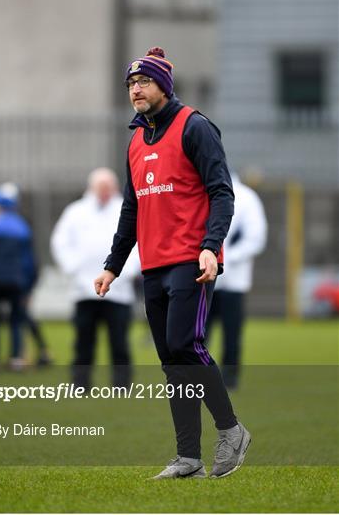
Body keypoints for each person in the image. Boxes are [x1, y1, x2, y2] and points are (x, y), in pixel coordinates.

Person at [94, 47, 251, 479]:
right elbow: (132, 211)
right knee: (171, 360)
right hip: (154, 266)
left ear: (164, 84)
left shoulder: (194, 127)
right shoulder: (134, 142)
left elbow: (222, 192)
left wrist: (210, 245)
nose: (135, 89)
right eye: (130, 84)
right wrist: (113, 265)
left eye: (143, 81)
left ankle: (231, 430)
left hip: (192, 260)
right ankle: (188, 458)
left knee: (186, 345)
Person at [51, 168, 140, 389]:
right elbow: (60, 242)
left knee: (119, 341)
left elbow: (140, 243)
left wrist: (126, 272)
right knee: (83, 341)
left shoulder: (126, 209)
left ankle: (122, 385)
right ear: (92, 188)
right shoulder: (76, 211)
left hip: (119, 290)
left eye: (108, 187)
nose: (104, 192)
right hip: (83, 288)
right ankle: (80, 384)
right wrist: (73, 268)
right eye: (100, 187)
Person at [206, 174, 268, 389]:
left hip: (233, 281)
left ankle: (230, 379)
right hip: (204, 278)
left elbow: (255, 238)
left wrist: (227, 257)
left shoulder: (246, 198)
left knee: (231, 334)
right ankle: (199, 378)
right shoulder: (202, 190)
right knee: (198, 333)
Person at [0, 182, 38, 371]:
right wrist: (31, 282)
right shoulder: (22, 227)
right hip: (17, 280)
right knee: (16, 320)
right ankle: (16, 359)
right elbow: (29, 260)